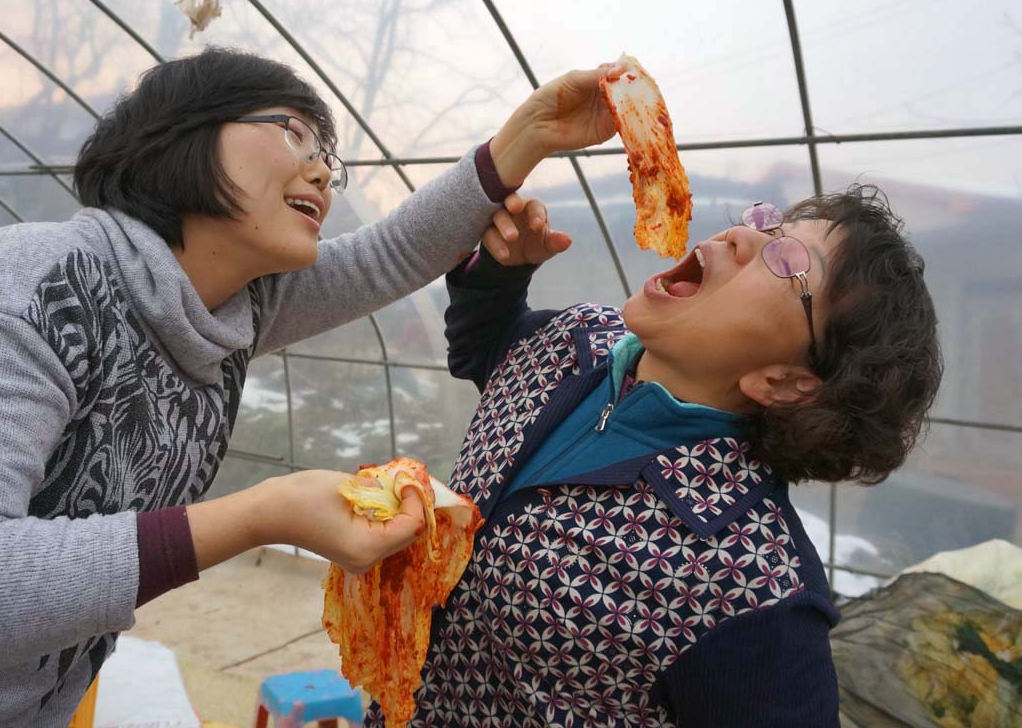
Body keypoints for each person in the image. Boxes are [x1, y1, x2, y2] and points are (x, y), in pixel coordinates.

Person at [0, 46, 619, 726]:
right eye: (292, 130)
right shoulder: (33, 288)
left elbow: (393, 252)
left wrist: (530, 134)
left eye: (328, 154)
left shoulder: (228, 306)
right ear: (182, 139)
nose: (321, 168)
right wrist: (253, 515)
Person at [371, 185, 943, 727]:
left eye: (789, 258)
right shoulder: (578, 338)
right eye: (770, 223)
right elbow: (489, 349)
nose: (742, 235)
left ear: (786, 381)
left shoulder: (751, 587)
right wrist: (499, 274)